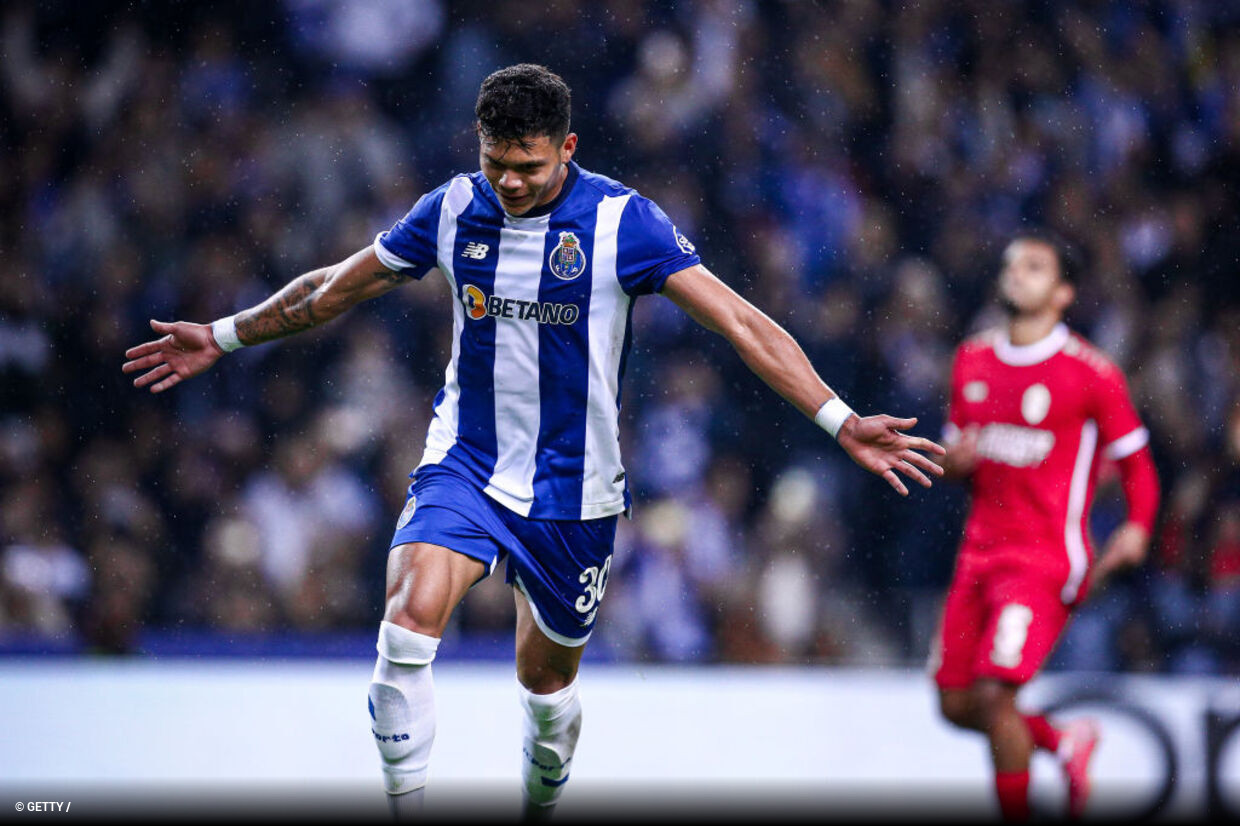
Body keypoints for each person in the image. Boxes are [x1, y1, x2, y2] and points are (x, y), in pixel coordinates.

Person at [123, 63, 946, 820]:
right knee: (406, 630)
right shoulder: (451, 208)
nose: (510, 183)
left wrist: (839, 419)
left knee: (546, 692)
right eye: (496, 164)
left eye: (530, 166)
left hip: (574, 489)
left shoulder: (624, 223)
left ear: (568, 149)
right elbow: (335, 287)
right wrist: (225, 335)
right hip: (466, 463)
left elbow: (740, 321)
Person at [931, 233, 1161, 821]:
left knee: (993, 694)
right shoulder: (972, 359)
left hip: (1044, 559)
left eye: (1034, 267)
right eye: (1010, 265)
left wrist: (1137, 527)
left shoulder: (1090, 372)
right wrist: (952, 463)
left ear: (1063, 292)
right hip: (978, 554)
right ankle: (1064, 741)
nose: (1016, 274)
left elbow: (1136, 462)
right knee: (955, 704)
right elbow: (959, 449)